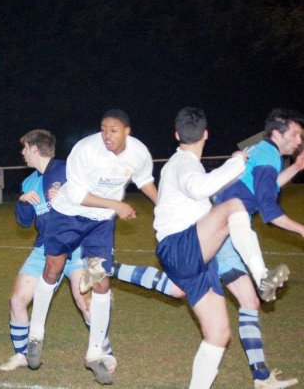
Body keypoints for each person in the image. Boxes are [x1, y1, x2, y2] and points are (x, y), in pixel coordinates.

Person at [153, 107, 288, 389]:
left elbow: (204, 190)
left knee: (218, 334)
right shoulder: (183, 164)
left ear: (177, 135)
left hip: (198, 255)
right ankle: (261, 274)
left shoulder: (183, 165)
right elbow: (199, 188)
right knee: (232, 207)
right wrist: (235, 161)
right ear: (206, 134)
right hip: (181, 246)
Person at [27, 109, 158, 385]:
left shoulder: (139, 153)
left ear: (127, 131)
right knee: (53, 268)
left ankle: (94, 354)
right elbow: (75, 194)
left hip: (99, 224)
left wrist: (164, 206)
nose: (106, 135)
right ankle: (35, 335)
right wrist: (117, 205)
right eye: (103, 128)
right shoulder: (85, 149)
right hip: (68, 215)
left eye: (113, 130)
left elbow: (145, 180)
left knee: (99, 282)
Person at [0, 129, 116, 372]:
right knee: (17, 300)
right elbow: (23, 222)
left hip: (77, 247)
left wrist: (66, 198)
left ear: (34, 148)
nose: (22, 154)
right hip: (44, 248)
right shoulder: (29, 182)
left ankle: (103, 352)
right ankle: (22, 354)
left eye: (24, 149)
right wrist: (22, 202)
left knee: (85, 300)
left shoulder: (68, 170)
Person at [211, 108, 303, 388]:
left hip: (224, 230)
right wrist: (301, 229)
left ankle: (261, 378)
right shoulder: (267, 155)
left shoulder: (263, 152)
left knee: (249, 303)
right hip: (222, 230)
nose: (299, 141)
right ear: (278, 133)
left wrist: (297, 168)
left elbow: (265, 186)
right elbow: (270, 211)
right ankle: (112, 269)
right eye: (297, 135)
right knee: (178, 286)